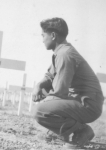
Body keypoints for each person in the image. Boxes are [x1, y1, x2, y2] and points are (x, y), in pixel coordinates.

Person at [32, 17, 104, 149]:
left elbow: (60, 92)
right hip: (82, 101)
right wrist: (39, 86)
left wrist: (45, 103)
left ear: (53, 35)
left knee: (39, 111)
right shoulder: (61, 51)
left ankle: (81, 131)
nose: (42, 39)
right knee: (45, 95)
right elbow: (50, 76)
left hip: (88, 105)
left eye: (43, 35)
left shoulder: (65, 54)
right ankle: (71, 132)